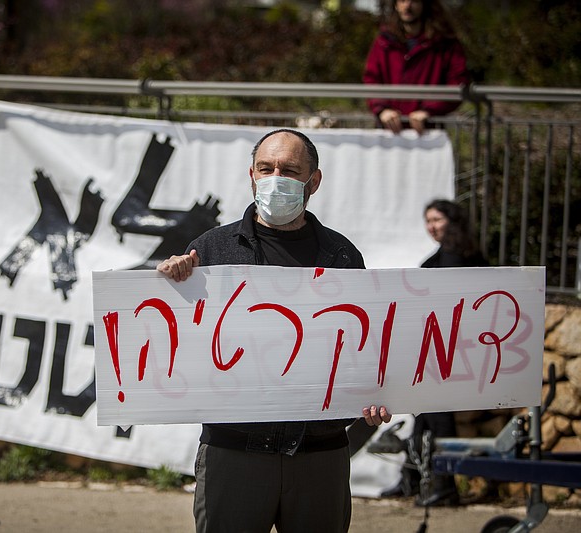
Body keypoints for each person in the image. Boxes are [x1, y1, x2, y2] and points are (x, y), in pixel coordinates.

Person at [157, 129, 392, 533]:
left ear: (313, 181)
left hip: (319, 456)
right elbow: (176, 335)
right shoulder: (210, 250)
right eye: (266, 169)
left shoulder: (342, 254)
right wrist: (169, 279)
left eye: (289, 170)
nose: (275, 178)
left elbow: (359, 347)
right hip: (235, 454)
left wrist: (374, 395)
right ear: (251, 175)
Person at [380, 198, 487, 506]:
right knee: (423, 416)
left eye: (437, 219)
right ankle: (416, 480)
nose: (432, 226)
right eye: (428, 221)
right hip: (438, 350)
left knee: (437, 418)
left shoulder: (457, 256)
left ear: (453, 220)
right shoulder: (449, 254)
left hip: (453, 353)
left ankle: (443, 484)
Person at [362, 0, 469, 134]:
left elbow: (458, 82)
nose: (407, 6)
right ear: (395, 4)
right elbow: (372, 79)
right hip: (389, 130)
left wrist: (429, 110)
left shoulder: (444, 43)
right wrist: (382, 110)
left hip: (427, 132)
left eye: (415, 1)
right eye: (402, 0)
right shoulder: (384, 42)